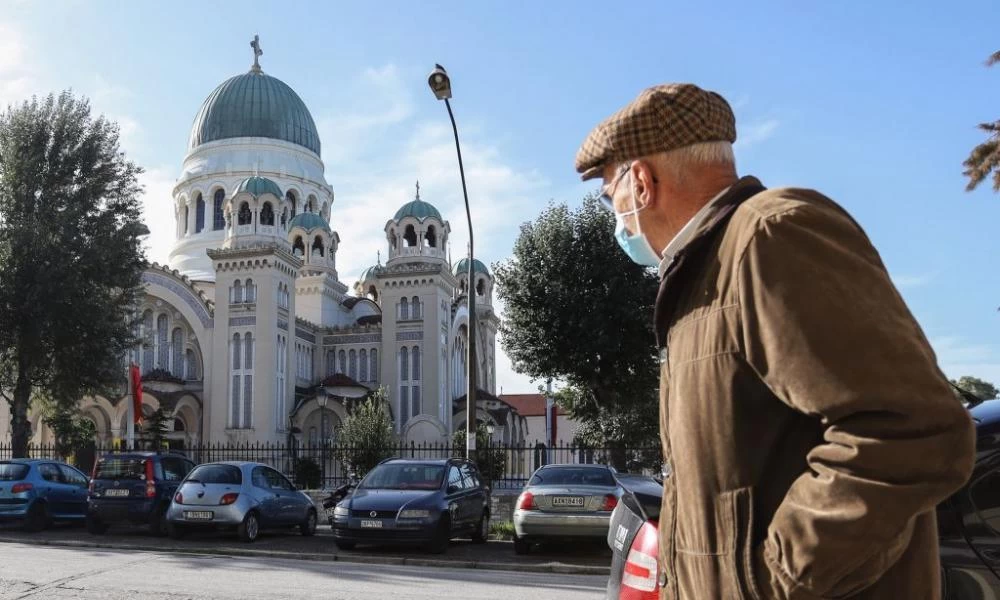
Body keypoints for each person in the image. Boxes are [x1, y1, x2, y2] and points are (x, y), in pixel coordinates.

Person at [576, 83, 975, 599]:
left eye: (613, 196)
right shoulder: (705, 273)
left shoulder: (771, 236)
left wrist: (776, 580)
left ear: (643, 182)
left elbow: (912, 431)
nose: (618, 218)